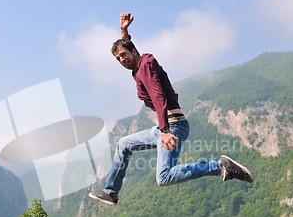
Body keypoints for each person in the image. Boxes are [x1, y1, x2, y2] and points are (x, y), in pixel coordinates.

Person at [89, 12, 253, 205]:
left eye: (123, 55)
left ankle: (219, 166)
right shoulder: (140, 66)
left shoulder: (146, 65)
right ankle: (111, 192)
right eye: (117, 59)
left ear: (133, 52)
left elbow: (159, 96)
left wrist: (165, 131)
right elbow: (133, 55)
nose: (121, 60)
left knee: (164, 177)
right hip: (162, 127)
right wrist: (124, 33)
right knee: (124, 143)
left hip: (172, 126)